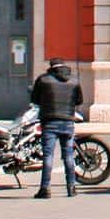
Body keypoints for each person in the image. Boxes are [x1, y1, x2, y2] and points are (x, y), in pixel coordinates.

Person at [30, 58, 86, 198]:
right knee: (68, 155)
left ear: (51, 66)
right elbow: (79, 100)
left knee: (48, 155)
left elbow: (35, 99)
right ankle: (71, 188)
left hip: (49, 122)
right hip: (68, 122)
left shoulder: (43, 80)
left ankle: (45, 188)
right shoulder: (74, 80)